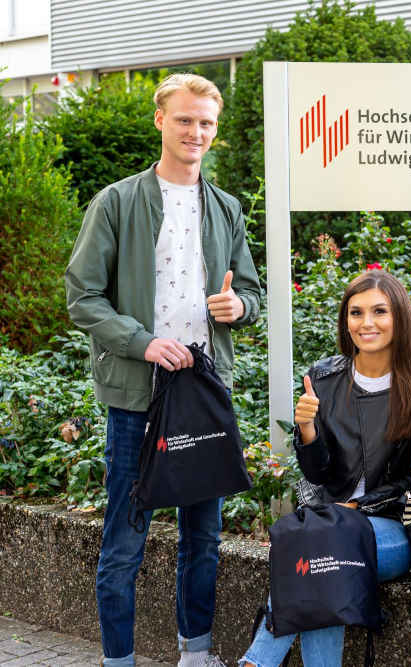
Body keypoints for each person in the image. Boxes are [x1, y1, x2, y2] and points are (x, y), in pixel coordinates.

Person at [65, 73, 261, 667]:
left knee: (203, 538)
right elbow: (82, 296)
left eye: (205, 122)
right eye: (184, 119)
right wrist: (143, 342)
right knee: (126, 541)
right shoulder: (118, 201)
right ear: (160, 121)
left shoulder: (226, 207)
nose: (195, 131)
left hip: (203, 391)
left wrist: (239, 307)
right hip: (136, 396)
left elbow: (249, 292)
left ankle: (195, 654)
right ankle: (117, 660)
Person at [240, 270, 411, 667]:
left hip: (394, 530)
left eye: (379, 311)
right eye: (356, 312)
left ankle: (255, 662)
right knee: (323, 561)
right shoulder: (325, 379)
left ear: (400, 316)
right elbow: (318, 475)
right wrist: (308, 429)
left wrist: (361, 508)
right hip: (330, 526)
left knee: (323, 547)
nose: (367, 323)